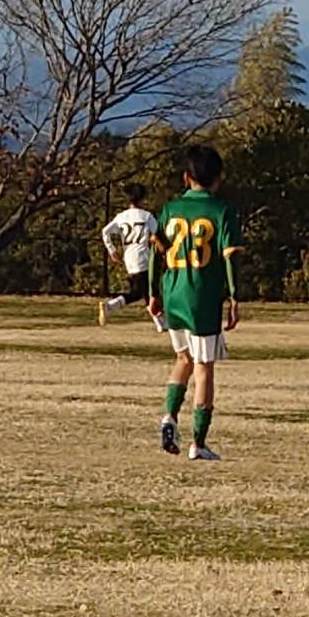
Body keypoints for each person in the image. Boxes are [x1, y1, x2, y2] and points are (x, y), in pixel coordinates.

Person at [148, 146, 242, 461]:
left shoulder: (171, 209)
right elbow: (230, 258)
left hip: (173, 291)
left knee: (183, 358)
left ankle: (169, 417)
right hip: (202, 295)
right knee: (203, 367)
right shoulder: (221, 211)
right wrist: (235, 296)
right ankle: (198, 443)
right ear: (219, 177)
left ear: (186, 177)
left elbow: (156, 253)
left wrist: (153, 293)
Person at [99, 183, 165, 332]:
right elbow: (157, 235)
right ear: (142, 199)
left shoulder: (121, 217)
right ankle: (110, 306)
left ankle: (160, 323)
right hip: (144, 256)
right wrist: (163, 249)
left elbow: (105, 231)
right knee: (141, 291)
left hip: (129, 257)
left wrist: (112, 250)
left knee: (145, 290)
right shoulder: (146, 216)